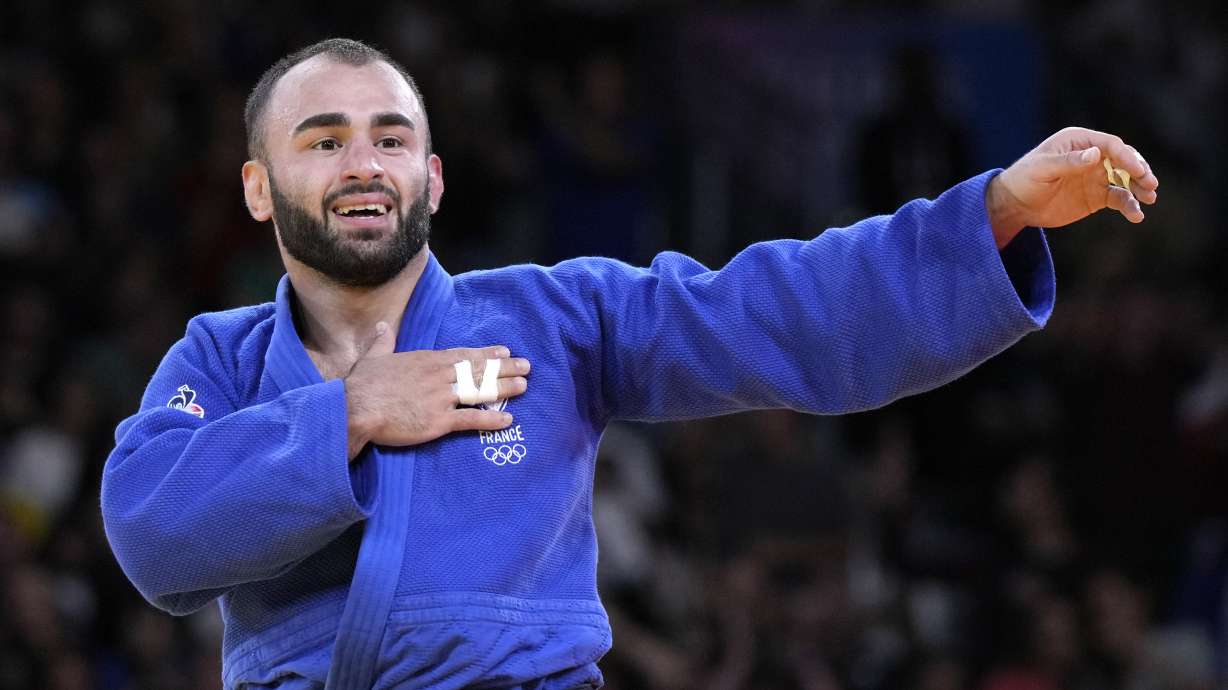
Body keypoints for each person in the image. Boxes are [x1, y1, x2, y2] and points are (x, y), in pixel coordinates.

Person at [99, 38, 1159, 690]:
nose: (361, 163)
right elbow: (152, 533)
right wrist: (350, 415)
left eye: (387, 138)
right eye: (322, 141)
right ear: (256, 186)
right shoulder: (221, 360)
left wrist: (996, 215)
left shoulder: (557, 319)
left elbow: (773, 309)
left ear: (430, 176)